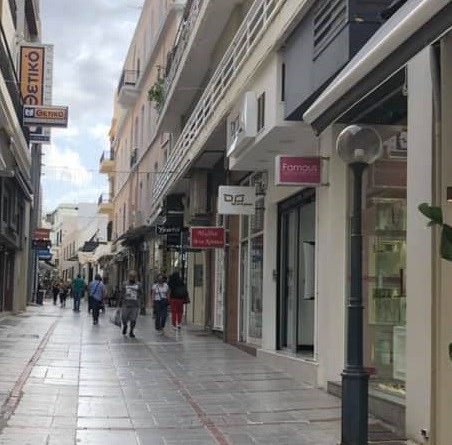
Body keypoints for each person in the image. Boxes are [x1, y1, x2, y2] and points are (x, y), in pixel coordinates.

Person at [120, 270, 142, 338]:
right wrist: (121, 300)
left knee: (133, 319)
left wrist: (139, 299)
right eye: (131, 276)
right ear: (128, 276)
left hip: (135, 305)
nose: (132, 277)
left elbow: (141, 293)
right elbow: (122, 292)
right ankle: (125, 326)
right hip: (126, 304)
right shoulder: (124, 284)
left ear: (135, 277)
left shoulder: (139, 284)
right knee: (124, 318)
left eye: (134, 276)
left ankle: (131, 331)